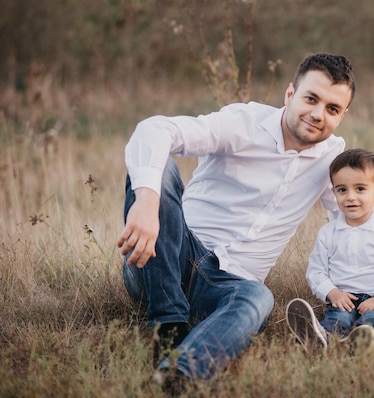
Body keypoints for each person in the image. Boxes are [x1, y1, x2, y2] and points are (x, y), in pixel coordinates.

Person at [116, 53, 355, 388]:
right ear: (290, 95)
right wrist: (146, 202)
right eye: (311, 99)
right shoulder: (243, 123)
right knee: (161, 171)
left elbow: (350, 225)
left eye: (332, 109)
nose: (318, 115)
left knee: (260, 298)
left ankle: (178, 375)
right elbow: (155, 129)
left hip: (229, 284)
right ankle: (168, 324)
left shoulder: (332, 159)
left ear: (343, 115)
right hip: (166, 258)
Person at [286, 148, 374, 353]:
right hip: (343, 298)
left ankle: (357, 343)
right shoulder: (328, 232)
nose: (350, 197)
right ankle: (318, 338)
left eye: (360, 189)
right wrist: (332, 293)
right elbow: (316, 272)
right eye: (342, 190)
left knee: (371, 320)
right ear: (334, 193)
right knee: (338, 319)